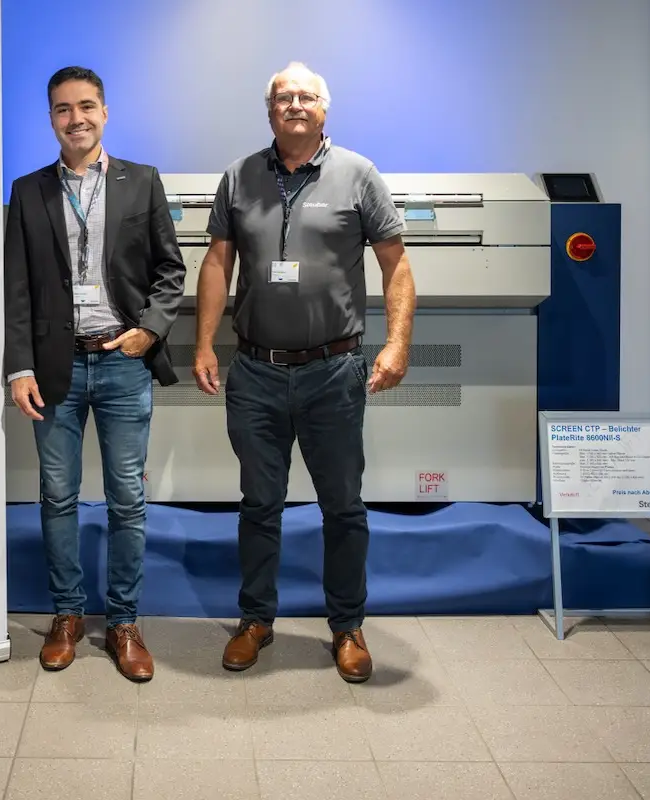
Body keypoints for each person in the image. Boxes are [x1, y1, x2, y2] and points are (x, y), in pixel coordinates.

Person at [192, 62, 416, 683]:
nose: (294, 104)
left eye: (306, 96)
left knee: (342, 506)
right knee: (259, 504)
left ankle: (347, 625)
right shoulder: (239, 176)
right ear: (269, 110)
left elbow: (396, 265)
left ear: (325, 108)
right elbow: (217, 263)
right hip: (256, 372)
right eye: (283, 97)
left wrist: (398, 345)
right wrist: (204, 344)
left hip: (333, 372)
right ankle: (255, 620)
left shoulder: (358, 174)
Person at [3, 66, 186, 682]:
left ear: (105, 112)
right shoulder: (28, 191)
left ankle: (125, 621)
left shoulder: (143, 181)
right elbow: (18, 288)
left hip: (121, 362)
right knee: (57, 496)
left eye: (86, 106)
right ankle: (67, 614)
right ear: (51, 118)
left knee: (126, 499)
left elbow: (170, 270)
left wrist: (150, 330)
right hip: (54, 366)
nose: (75, 118)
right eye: (63, 109)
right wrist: (19, 367)